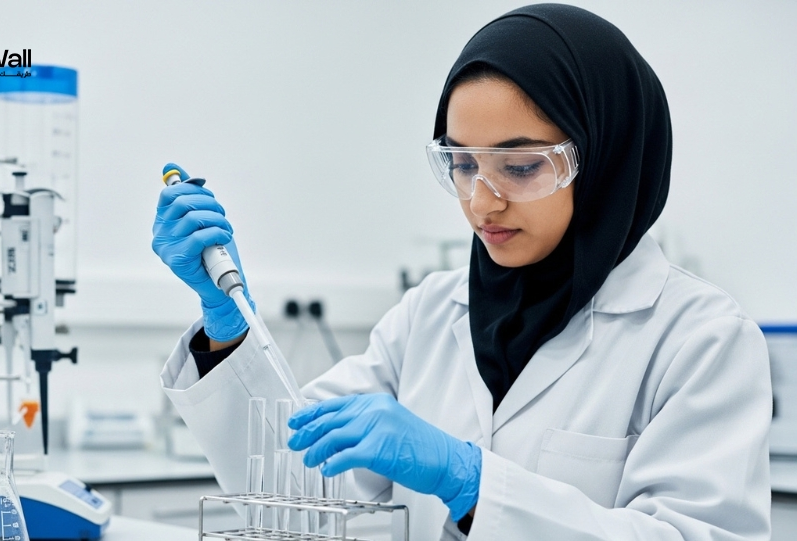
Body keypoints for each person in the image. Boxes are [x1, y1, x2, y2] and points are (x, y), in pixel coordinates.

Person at [152, 4, 771, 540]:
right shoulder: (429, 314)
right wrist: (227, 326)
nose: (481, 202)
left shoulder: (699, 339)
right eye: (463, 163)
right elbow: (294, 491)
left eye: (521, 167)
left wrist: (471, 480)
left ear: (607, 156)